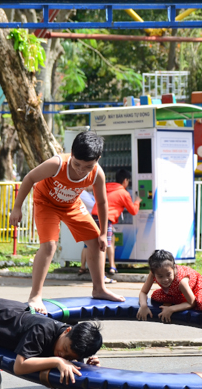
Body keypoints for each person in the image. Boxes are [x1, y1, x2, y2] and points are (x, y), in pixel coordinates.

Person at [9, 131, 124, 314]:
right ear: (71, 153)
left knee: (95, 241)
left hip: (71, 205)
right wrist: (16, 208)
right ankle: (35, 295)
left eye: (87, 166)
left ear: (97, 159)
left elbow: (102, 202)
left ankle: (99, 288)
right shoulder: (57, 164)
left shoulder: (96, 174)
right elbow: (29, 178)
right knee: (49, 246)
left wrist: (103, 233)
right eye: (77, 164)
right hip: (46, 202)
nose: (80, 170)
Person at [0, 279, 102, 384]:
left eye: (69, 357)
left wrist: (84, 363)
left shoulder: (71, 340)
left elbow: (73, 353)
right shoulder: (42, 331)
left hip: (6, 308)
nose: (62, 355)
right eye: (64, 349)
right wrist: (57, 362)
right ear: (67, 330)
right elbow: (20, 366)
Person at [136, 250, 202, 323]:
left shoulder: (181, 281)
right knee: (155, 296)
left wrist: (172, 309)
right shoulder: (153, 274)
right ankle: (181, 300)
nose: (165, 279)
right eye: (160, 276)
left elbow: (192, 302)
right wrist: (143, 306)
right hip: (176, 292)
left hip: (196, 288)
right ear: (154, 273)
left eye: (168, 274)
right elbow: (143, 292)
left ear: (174, 268)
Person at [91, 168, 142, 275]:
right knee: (104, 245)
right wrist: (137, 202)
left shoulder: (105, 187)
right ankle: (101, 274)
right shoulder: (123, 193)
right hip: (106, 219)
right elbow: (133, 211)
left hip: (94, 217)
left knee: (108, 242)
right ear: (125, 181)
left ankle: (112, 266)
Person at [78, 186, 95, 276]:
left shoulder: (88, 193)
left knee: (86, 245)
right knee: (87, 245)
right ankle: (83, 266)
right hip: (87, 220)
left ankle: (83, 266)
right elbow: (93, 205)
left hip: (90, 220)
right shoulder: (82, 193)